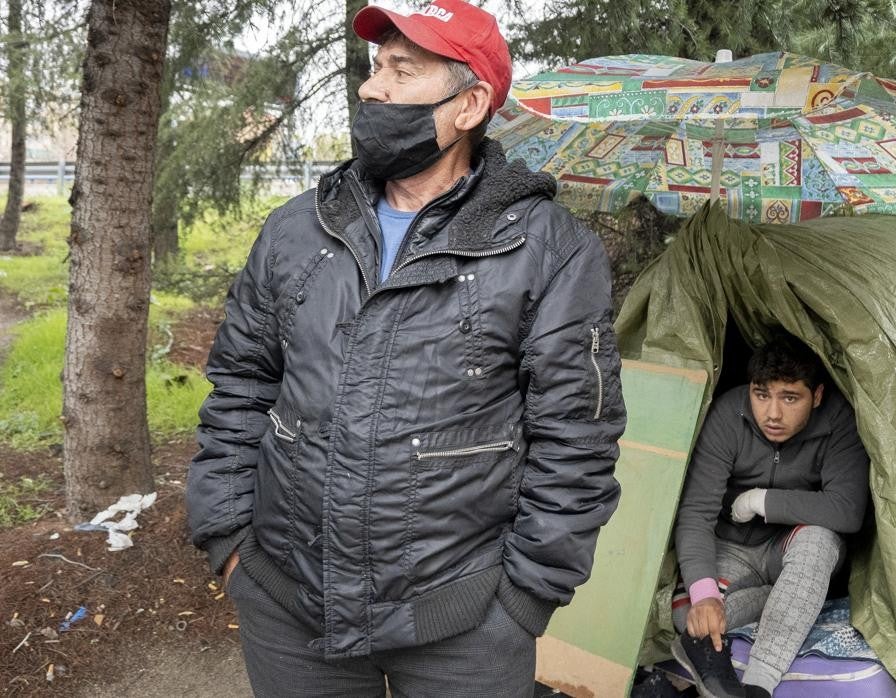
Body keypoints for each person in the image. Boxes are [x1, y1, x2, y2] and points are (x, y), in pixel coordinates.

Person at [184, 2, 626, 695]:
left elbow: (577, 438)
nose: (371, 88)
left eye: (402, 70)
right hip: (289, 607)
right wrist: (232, 543)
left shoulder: (550, 250)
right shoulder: (297, 229)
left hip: (465, 628)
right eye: (374, 69)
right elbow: (241, 387)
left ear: (470, 103)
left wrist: (523, 601)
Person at [669, 336, 869, 698]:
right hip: (729, 544)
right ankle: (789, 598)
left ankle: (760, 683)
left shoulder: (839, 420)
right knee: (691, 616)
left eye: (790, 398)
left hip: (786, 545)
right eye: (762, 395)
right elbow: (696, 513)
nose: (772, 414)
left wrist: (762, 500)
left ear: (817, 395)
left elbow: (847, 510)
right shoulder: (729, 414)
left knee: (821, 541)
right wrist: (705, 597)